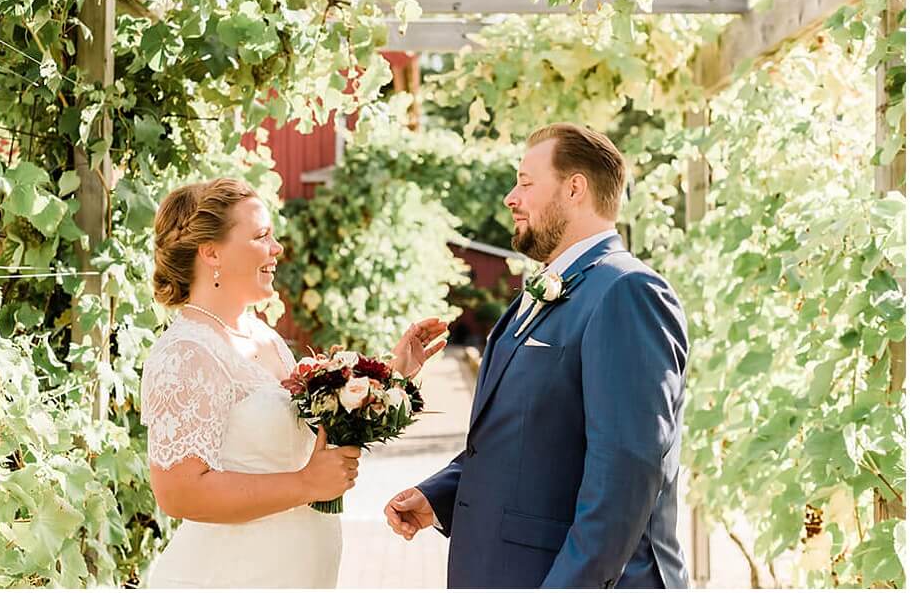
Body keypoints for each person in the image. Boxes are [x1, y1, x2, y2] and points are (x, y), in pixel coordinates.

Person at [384, 125, 689, 590]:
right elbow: (528, 440)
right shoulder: (539, 296)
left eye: (526, 182)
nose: (511, 197)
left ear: (574, 188)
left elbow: (625, 475)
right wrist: (440, 495)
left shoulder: (627, 291)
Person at [141, 178, 447, 589]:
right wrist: (305, 484)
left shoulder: (263, 337)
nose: (277, 248)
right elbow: (179, 494)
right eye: (261, 236)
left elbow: (312, 431)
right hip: (230, 577)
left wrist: (392, 376)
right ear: (211, 251)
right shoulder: (185, 353)